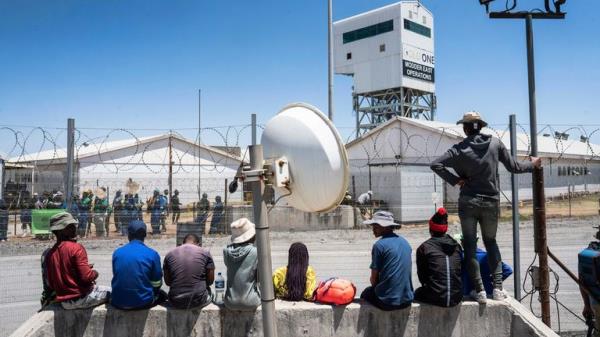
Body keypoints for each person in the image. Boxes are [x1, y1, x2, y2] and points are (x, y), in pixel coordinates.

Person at [430, 111, 541, 303]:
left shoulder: (459, 149)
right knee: (491, 242)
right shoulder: (495, 144)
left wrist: (456, 180)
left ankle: (479, 291)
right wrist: (533, 164)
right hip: (490, 201)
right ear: (480, 126)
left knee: (470, 246)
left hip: (468, 202)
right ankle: (497, 289)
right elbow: (514, 167)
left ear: (465, 128)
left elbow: (436, 164)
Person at [42, 212, 110, 309]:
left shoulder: (49, 254)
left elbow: (52, 283)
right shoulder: (76, 248)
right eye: (70, 226)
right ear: (60, 231)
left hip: (64, 303)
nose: (74, 228)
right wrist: (94, 273)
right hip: (82, 297)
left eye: (74, 225)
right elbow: (87, 277)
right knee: (116, 293)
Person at [360, 211, 413, 310]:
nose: (373, 230)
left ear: (386, 227)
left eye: (376, 226)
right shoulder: (405, 242)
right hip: (407, 301)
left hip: (387, 302)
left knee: (366, 293)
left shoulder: (379, 245)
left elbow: (373, 280)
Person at [111, 220, 166, 310]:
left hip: (118, 301)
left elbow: (117, 275)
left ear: (129, 235)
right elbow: (157, 283)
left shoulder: (117, 253)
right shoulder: (152, 254)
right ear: (144, 235)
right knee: (163, 296)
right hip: (142, 302)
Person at [414, 208, 462, 307]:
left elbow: (422, 276)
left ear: (430, 230)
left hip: (435, 297)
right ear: (446, 229)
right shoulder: (457, 246)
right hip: (457, 297)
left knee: (416, 293)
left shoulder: (424, 248)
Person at [452, 234, 513, 298]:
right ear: (477, 241)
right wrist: (492, 280)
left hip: (466, 293)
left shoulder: (460, 257)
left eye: (461, 241)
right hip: (488, 292)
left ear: (462, 242)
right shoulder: (486, 256)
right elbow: (508, 270)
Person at [163, 234, 215, 309]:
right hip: (197, 300)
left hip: (175, 300)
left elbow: (168, 282)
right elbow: (210, 281)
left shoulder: (169, 254)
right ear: (199, 244)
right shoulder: (205, 253)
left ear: (182, 243)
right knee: (210, 292)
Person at [223, 218, 261, 310]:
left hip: (229, 302)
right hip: (251, 302)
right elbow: (259, 278)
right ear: (251, 236)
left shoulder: (226, 251)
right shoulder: (255, 252)